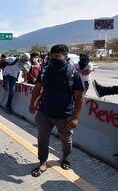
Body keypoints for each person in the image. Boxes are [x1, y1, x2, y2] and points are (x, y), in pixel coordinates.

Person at [29, 44, 84, 177]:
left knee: (66, 141)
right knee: (42, 139)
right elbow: (37, 88)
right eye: (52, 56)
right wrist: (32, 103)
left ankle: (64, 158)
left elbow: (80, 98)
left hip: (65, 116)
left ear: (66, 57)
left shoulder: (74, 74)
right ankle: (42, 162)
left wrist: (75, 117)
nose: (54, 59)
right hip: (44, 113)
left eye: (58, 57)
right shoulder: (45, 70)